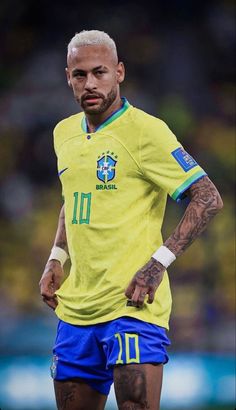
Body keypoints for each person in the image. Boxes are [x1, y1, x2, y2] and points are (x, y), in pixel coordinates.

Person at [39, 30, 223, 410]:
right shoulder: (63, 134)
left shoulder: (146, 132)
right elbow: (72, 198)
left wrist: (158, 265)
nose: (90, 83)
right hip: (76, 311)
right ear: (68, 77)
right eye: (79, 75)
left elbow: (207, 197)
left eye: (100, 72)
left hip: (132, 305)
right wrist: (56, 257)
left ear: (119, 72)